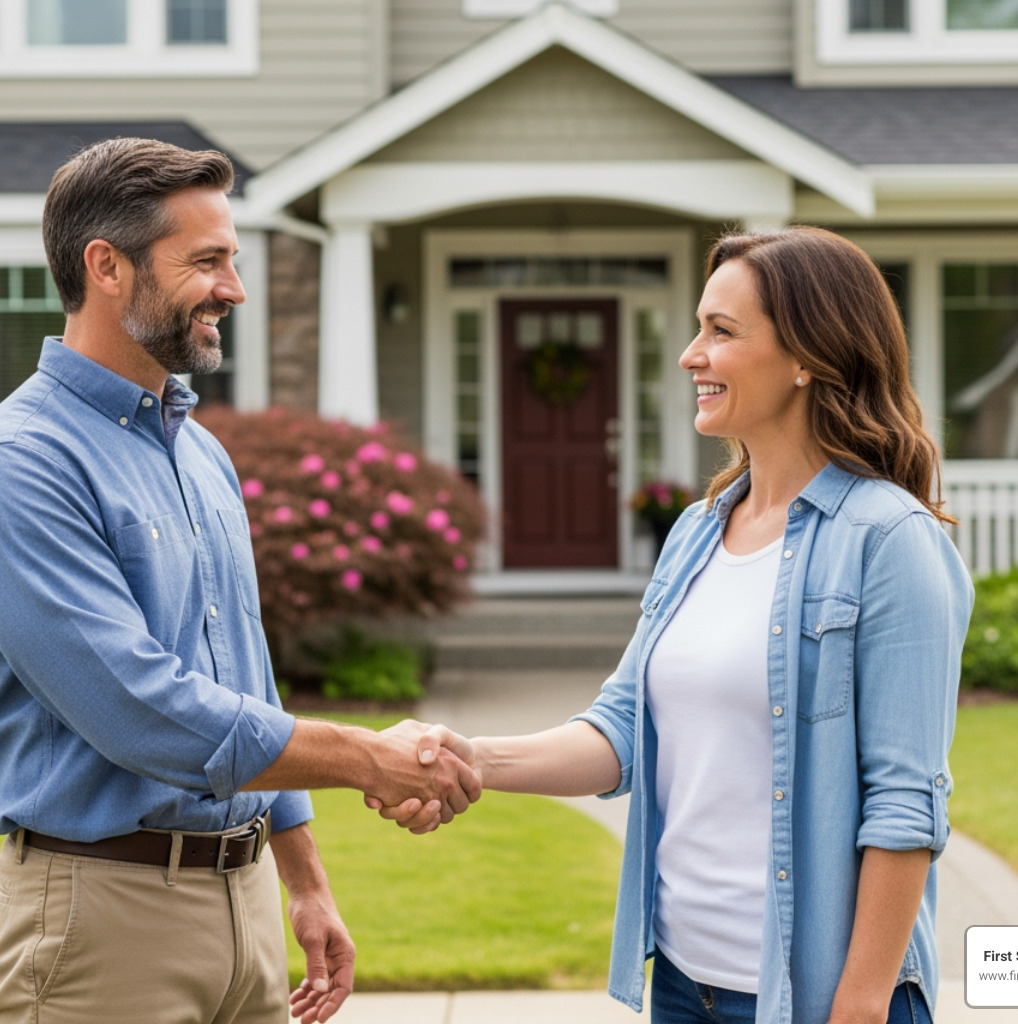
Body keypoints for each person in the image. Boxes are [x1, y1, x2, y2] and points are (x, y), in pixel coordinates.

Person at [0, 137, 478, 1024]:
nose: (235, 287)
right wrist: (365, 757)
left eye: (233, 258)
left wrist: (304, 879)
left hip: (248, 899)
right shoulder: (17, 467)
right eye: (208, 261)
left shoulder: (200, 451)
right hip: (101, 922)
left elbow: (242, 675)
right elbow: (136, 707)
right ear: (106, 267)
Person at [379, 228, 973, 1024]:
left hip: (814, 999)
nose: (692, 354)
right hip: (685, 983)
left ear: (808, 357)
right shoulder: (698, 530)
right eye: (699, 327)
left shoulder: (890, 541)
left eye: (721, 332)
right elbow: (624, 729)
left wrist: (858, 1008)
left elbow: (905, 804)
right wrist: (465, 757)